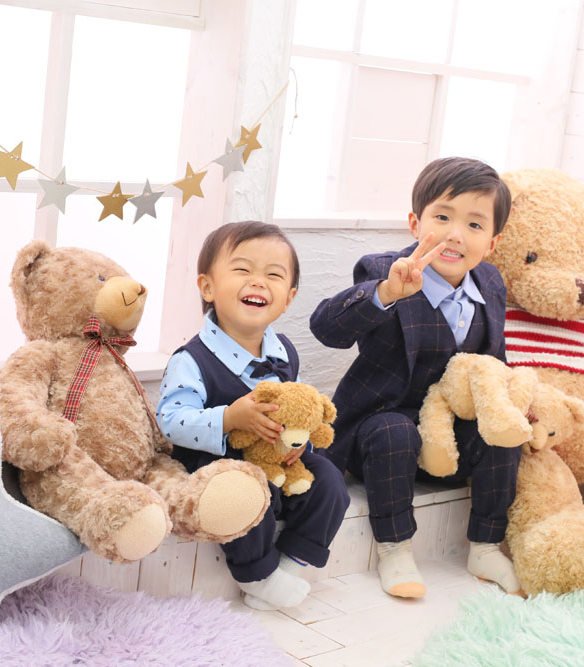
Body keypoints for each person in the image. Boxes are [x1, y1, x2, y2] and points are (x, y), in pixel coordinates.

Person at [310, 157, 521, 598]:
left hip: (450, 438)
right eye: (442, 218)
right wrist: (385, 293)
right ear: (415, 223)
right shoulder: (382, 271)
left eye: (474, 225)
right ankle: (395, 549)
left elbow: (492, 363)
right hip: (382, 429)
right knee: (395, 431)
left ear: (493, 242)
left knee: (505, 429)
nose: (455, 235)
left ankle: (485, 545)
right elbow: (326, 330)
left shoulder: (491, 283)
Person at [159, 221, 349, 610]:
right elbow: (171, 422)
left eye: (273, 275)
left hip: (279, 462)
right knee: (243, 491)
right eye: (243, 269)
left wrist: (301, 443)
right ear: (207, 287)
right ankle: (256, 575)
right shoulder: (191, 359)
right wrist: (228, 418)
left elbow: (300, 410)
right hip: (220, 464)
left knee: (330, 480)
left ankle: (293, 563)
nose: (258, 281)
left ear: (288, 298)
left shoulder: (284, 353)